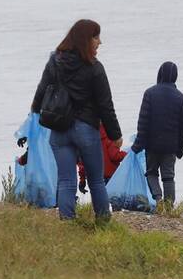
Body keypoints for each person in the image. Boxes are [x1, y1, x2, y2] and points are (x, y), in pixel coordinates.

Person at [30, 19, 122, 222]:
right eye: (96, 37)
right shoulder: (95, 68)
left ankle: (67, 223)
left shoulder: (55, 61)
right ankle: (104, 222)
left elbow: (41, 92)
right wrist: (115, 135)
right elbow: (106, 105)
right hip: (86, 129)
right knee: (96, 180)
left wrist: (34, 114)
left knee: (65, 180)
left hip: (59, 129)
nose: (100, 42)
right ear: (85, 40)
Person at [131, 61, 183, 208]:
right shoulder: (180, 98)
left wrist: (137, 145)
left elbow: (143, 122)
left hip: (152, 144)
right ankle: (169, 207)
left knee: (151, 173)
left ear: (160, 74)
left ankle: (158, 199)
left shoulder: (150, 93)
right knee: (168, 176)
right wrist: (181, 148)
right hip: (171, 146)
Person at [78, 124, 125, 194]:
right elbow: (114, 156)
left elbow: (82, 163)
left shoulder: (84, 138)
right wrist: (127, 154)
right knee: (115, 199)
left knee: (98, 200)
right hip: (110, 177)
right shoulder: (109, 136)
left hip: (93, 179)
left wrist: (82, 180)